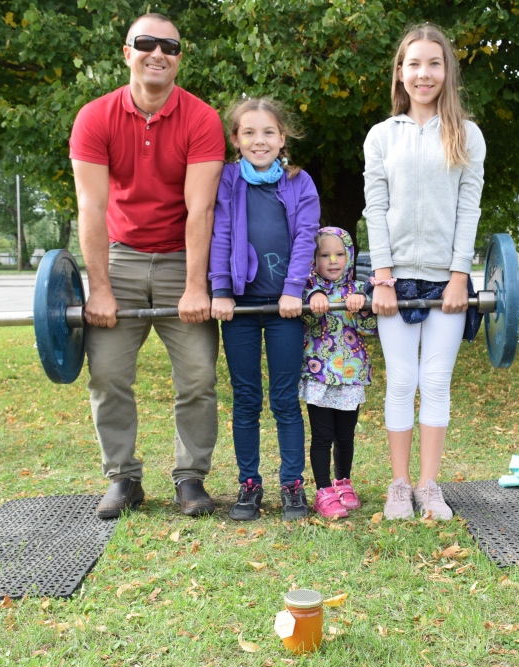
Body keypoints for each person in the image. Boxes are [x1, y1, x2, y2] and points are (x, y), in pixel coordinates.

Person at [69, 13, 226, 519]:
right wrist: (100, 289)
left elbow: (200, 208)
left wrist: (196, 285)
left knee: (199, 377)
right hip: (121, 259)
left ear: (179, 57)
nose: (158, 53)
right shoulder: (95, 117)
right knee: (109, 376)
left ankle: (190, 478)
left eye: (170, 46)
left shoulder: (202, 119)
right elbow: (91, 209)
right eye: (146, 43)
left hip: (184, 257)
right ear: (127, 52)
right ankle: (123, 478)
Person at [362, 23, 487, 520]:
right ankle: (399, 485)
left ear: (447, 72)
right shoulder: (380, 137)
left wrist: (459, 277)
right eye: (414, 63)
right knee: (401, 380)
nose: (424, 73)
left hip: (445, 279)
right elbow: (376, 208)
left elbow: (468, 211)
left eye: (434, 63)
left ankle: (429, 486)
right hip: (395, 279)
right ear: (400, 71)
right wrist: (383, 277)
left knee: (435, 382)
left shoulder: (466, 134)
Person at [208, 98, 321, 521]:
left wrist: (294, 290)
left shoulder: (299, 182)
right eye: (250, 133)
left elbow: (306, 237)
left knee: (285, 400)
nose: (260, 140)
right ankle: (249, 485)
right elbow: (219, 234)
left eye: (268, 132)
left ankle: (292, 484)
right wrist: (220, 289)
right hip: (238, 306)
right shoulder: (227, 180)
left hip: (283, 308)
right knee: (246, 397)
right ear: (235, 139)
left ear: (282, 138)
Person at [300, 227, 378, 518]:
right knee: (322, 435)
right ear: (314, 258)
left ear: (349, 256)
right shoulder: (307, 288)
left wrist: (362, 310)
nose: (333, 261)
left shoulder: (356, 290)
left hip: (350, 376)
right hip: (318, 374)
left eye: (339, 254)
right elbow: (304, 313)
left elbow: (369, 330)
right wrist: (315, 297)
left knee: (345, 435)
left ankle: (343, 482)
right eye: (324, 255)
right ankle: (323, 490)